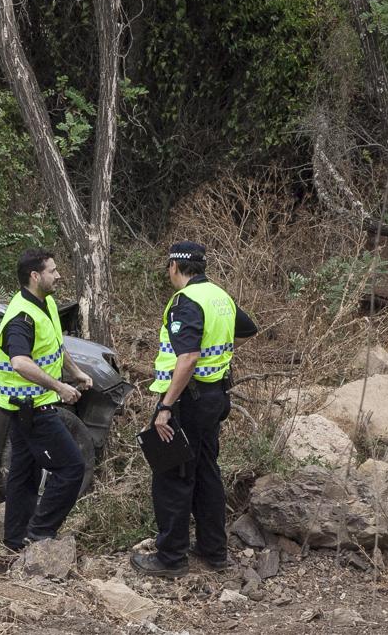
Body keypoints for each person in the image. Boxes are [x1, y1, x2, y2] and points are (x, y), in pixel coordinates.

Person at [131, 241, 258, 578]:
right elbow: (247, 330)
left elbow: (186, 357)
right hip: (214, 397)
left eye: (168, 265)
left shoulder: (185, 302)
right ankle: (213, 550)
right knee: (205, 473)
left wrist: (165, 406)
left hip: (186, 400)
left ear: (175, 266)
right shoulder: (219, 296)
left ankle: (170, 558)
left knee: (172, 476)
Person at [0, 248, 93, 550]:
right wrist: (60, 387)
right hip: (32, 407)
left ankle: (14, 542)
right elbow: (20, 362)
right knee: (72, 467)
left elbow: (55, 346)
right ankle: (39, 534)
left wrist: (75, 372)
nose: (58, 274)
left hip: (27, 406)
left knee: (23, 475)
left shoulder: (45, 302)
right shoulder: (21, 319)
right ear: (35, 276)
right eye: (52, 270)